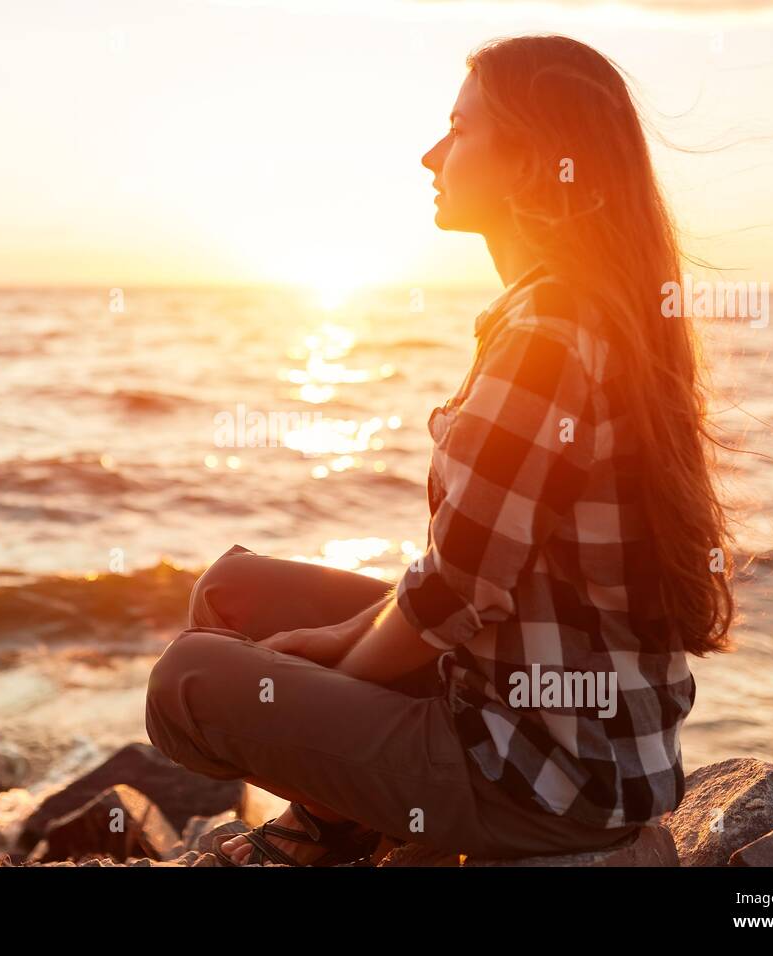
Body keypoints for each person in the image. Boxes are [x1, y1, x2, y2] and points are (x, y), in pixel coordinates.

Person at [145, 34, 734, 866]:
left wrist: (342, 655)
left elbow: (456, 593)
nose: (432, 153)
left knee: (187, 682)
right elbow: (466, 584)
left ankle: (348, 824)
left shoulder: (548, 335)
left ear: (532, 163)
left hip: (536, 780)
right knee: (237, 593)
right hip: (539, 726)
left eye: (460, 130)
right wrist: (339, 642)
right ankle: (335, 822)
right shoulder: (580, 312)